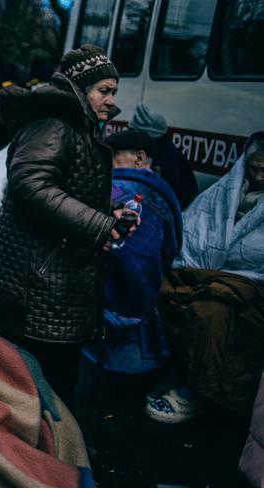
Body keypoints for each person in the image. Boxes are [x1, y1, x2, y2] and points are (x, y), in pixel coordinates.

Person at [0, 44, 137, 404]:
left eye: (114, 91)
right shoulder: (54, 122)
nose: (111, 100)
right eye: (104, 90)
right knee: (36, 386)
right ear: (80, 89)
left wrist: (109, 214)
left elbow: (68, 189)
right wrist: (97, 224)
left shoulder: (80, 124)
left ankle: (50, 453)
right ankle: (37, 457)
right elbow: (30, 184)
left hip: (55, 276)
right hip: (36, 278)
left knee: (51, 387)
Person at [146, 131, 264, 423]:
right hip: (205, 276)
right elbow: (195, 226)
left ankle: (194, 390)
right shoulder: (225, 191)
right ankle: (170, 370)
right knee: (163, 290)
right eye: (254, 168)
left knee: (209, 312)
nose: (259, 176)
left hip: (248, 287)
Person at [82, 129, 182, 375]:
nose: (111, 162)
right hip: (148, 303)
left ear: (139, 157)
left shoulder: (119, 188)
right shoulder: (166, 194)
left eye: (116, 155)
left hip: (103, 307)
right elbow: (171, 245)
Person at [129, 103, 199, 209]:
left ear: (148, 135)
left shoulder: (168, 162)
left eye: (135, 133)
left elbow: (164, 202)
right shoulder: (162, 151)